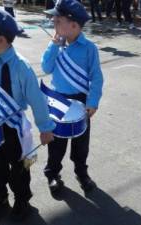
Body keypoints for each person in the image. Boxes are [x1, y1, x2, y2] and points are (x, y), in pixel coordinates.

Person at [0, 3, 55, 223]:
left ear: (0, 40)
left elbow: (37, 101)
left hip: (13, 128)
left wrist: (45, 128)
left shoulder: (21, 67)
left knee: (18, 167)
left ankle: (22, 199)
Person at [41, 0, 104, 195]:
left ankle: (81, 172)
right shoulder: (56, 45)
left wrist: (92, 102)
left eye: (58, 20)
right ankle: (52, 173)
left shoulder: (89, 48)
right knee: (56, 142)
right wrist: (53, 46)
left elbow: (96, 77)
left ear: (74, 25)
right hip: (58, 99)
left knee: (80, 142)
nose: (54, 23)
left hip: (81, 100)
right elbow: (46, 68)